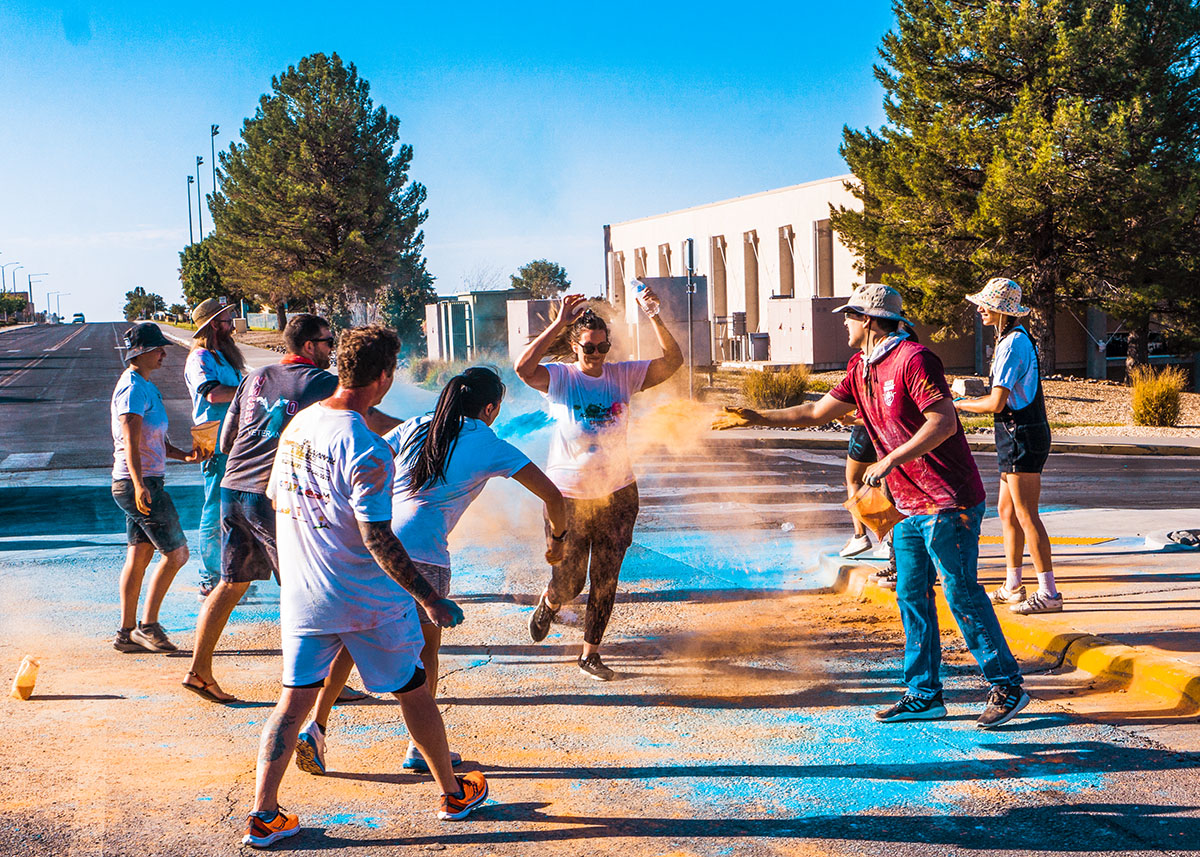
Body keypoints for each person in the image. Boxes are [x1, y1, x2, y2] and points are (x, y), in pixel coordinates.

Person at [713, 284, 1029, 729]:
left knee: (961, 593)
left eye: (849, 315)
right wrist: (758, 417)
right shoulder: (860, 366)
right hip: (906, 504)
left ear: (869, 320)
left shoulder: (914, 359)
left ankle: (1007, 684)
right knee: (910, 595)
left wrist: (891, 459)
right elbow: (817, 411)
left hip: (947, 499)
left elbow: (944, 421)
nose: (843, 322)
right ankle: (924, 694)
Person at [242, 325, 487, 848]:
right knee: (414, 689)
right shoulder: (368, 448)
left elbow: (278, 501)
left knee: (293, 703)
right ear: (384, 377)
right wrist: (430, 597)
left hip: (305, 596)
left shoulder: (300, 426)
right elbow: (378, 539)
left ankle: (264, 814)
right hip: (367, 599)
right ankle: (453, 792)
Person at [300, 366, 568, 775]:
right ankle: (416, 748)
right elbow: (552, 495)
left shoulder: (418, 424)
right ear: (491, 408)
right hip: (425, 553)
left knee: (353, 640)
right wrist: (558, 539)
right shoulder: (488, 441)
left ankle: (315, 731)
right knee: (426, 654)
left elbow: (374, 457)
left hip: (377, 543)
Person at [516, 291, 683, 681]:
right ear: (575, 346)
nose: (597, 353)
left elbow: (673, 362)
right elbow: (524, 369)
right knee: (571, 582)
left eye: (603, 345)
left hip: (618, 493)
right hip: (569, 497)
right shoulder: (560, 378)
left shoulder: (623, 375)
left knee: (606, 577)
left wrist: (654, 316)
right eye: (589, 347)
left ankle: (590, 654)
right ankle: (551, 600)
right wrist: (557, 323)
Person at [182, 314, 343, 703]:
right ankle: (317, 679)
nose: (331, 348)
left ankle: (198, 671)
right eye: (327, 341)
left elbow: (224, 441)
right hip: (272, 494)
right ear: (309, 347)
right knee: (304, 586)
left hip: (233, 486)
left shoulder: (254, 377)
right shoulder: (323, 382)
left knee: (231, 582)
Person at [955, 277, 1061, 615]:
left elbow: (997, 402)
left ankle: (1049, 593)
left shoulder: (1013, 344)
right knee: (1006, 511)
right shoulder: (1011, 340)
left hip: (1021, 434)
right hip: (1015, 433)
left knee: (1027, 514)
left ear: (1003, 311)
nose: (980, 309)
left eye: (986, 305)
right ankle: (1013, 584)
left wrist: (957, 405)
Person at [110, 323, 203, 654]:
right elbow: (130, 442)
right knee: (177, 554)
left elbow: (157, 441)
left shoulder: (147, 387)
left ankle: (125, 633)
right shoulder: (132, 389)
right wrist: (139, 485)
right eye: (158, 348)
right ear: (141, 352)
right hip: (139, 483)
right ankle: (147, 626)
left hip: (144, 480)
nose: (165, 353)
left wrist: (185, 456)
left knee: (139, 556)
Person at [184, 298, 246, 597]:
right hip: (212, 438)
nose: (232, 323)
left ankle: (231, 571)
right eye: (227, 318)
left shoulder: (222, 355)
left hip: (231, 438)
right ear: (212, 324)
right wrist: (249, 391)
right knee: (214, 508)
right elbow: (212, 394)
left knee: (232, 508)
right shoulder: (200, 358)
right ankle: (210, 577)